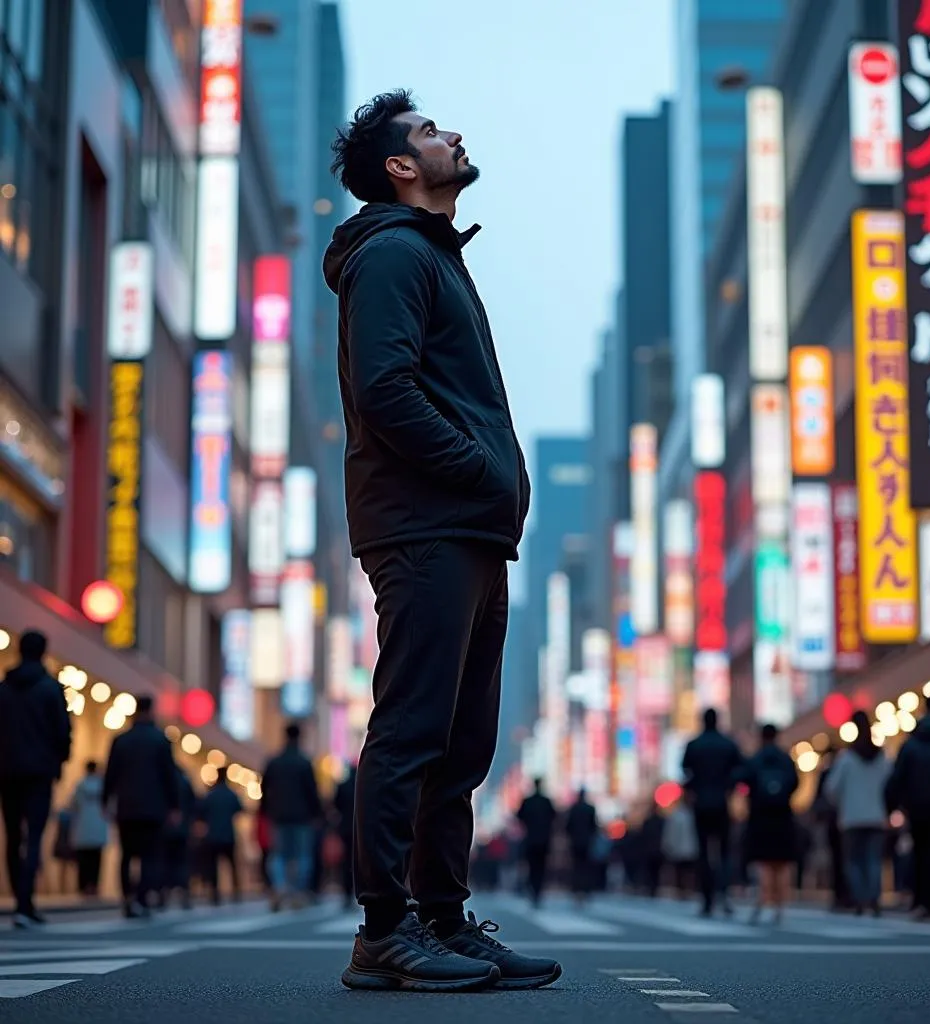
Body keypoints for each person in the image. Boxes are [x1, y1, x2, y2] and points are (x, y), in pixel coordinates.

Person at [325, 90, 557, 994]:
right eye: (429, 132)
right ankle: (383, 931)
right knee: (414, 730)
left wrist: (490, 487)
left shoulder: (430, 256)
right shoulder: (390, 253)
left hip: (463, 525)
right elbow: (386, 390)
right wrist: (478, 469)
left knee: (461, 744)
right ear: (400, 167)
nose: (452, 134)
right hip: (427, 522)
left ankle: (443, 920)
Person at [0, 630, 72, 927]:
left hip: (6, 771)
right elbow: (63, 732)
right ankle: (25, 903)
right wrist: (59, 762)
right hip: (40, 772)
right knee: (34, 837)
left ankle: (19, 899)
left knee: (12, 835)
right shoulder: (50, 689)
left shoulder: (3, 689)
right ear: (43, 652)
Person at [103, 695, 180, 917]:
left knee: (126, 854)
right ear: (152, 710)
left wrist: (106, 800)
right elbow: (169, 775)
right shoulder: (160, 740)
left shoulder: (121, 740)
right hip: (153, 807)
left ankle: (127, 897)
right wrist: (174, 805)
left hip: (126, 806)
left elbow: (111, 773)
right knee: (150, 855)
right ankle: (142, 898)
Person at [885, 694, 930, 919]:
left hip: (918, 807)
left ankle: (921, 900)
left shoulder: (912, 744)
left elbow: (897, 778)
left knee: (920, 852)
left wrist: (893, 805)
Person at [824, 710, 891, 916]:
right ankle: (874, 898)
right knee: (873, 860)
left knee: (853, 861)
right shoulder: (882, 758)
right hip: (876, 815)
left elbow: (831, 788)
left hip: (852, 817)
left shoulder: (847, 758)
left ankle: (861, 898)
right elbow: (891, 784)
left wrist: (842, 804)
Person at [682, 708, 743, 916]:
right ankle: (724, 893)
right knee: (725, 852)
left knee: (703, 853)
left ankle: (707, 900)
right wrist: (729, 787)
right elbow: (740, 770)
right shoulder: (728, 744)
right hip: (722, 803)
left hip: (701, 804)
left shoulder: (694, 745)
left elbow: (685, 771)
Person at [739, 725, 799, 925]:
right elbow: (795, 783)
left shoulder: (755, 760)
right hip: (783, 816)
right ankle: (780, 908)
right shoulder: (785, 759)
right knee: (781, 864)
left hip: (760, 817)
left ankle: (762, 904)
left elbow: (744, 782)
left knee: (763, 863)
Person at [261, 723, 322, 910]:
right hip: (302, 816)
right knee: (302, 855)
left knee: (278, 854)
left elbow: (264, 789)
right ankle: (298, 892)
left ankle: (280, 888)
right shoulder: (304, 762)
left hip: (278, 815)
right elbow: (312, 791)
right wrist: (317, 813)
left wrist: (265, 810)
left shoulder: (274, 761)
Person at [813, 746, 850, 910]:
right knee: (855, 858)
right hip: (851, 816)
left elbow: (825, 793)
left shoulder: (829, 773)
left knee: (839, 859)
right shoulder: (849, 765)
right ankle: (862, 896)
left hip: (839, 818)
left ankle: (843, 895)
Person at [200, 767, 243, 904]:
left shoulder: (210, 795)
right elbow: (239, 809)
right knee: (232, 865)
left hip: (212, 835)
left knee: (213, 865)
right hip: (228, 834)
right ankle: (236, 892)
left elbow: (201, 812)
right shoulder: (231, 794)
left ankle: (214, 893)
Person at [516, 778, 557, 907]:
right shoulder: (547, 802)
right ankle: (537, 891)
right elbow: (554, 817)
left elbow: (519, 816)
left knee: (532, 866)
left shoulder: (528, 801)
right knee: (541, 867)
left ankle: (533, 889)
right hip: (544, 839)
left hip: (530, 839)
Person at [70, 761, 108, 896]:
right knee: (96, 861)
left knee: (83, 862)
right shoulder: (103, 785)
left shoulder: (80, 785)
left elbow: (73, 804)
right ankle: (93, 886)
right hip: (98, 827)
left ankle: (83, 886)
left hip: (83, 827)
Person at [661, 794, 699, 898]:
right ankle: (681, 890)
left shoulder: (693, 813)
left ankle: (688, 889)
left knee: (689, 871)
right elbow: (670, 832)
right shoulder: (676, 815)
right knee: (679, 870)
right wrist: (669, 845)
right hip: (679, 848)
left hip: (691, 848)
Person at [565, 788, 598, 903]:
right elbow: (594, 827)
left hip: (575, 842)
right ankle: (585, 889)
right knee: (586, 867)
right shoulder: (590, 809)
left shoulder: (574, 809)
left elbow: (568, 826)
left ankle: (577, 889)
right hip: (587, 842)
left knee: (577, 866)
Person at [332, 762, 358, 908]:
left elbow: (336, 804)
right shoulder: (363, 785)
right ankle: (358, 892)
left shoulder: (342, 786)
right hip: (360, 827)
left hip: (345, 827)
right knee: (360, 861)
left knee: (346, 861)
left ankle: (347, 892)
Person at [640, 798, 666, 898]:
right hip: (655, 849)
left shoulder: (650, 821)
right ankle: (653, 888)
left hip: (653, 849)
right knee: (654, 871)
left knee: (652, 870)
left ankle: (652, 888)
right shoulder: (661, 821)